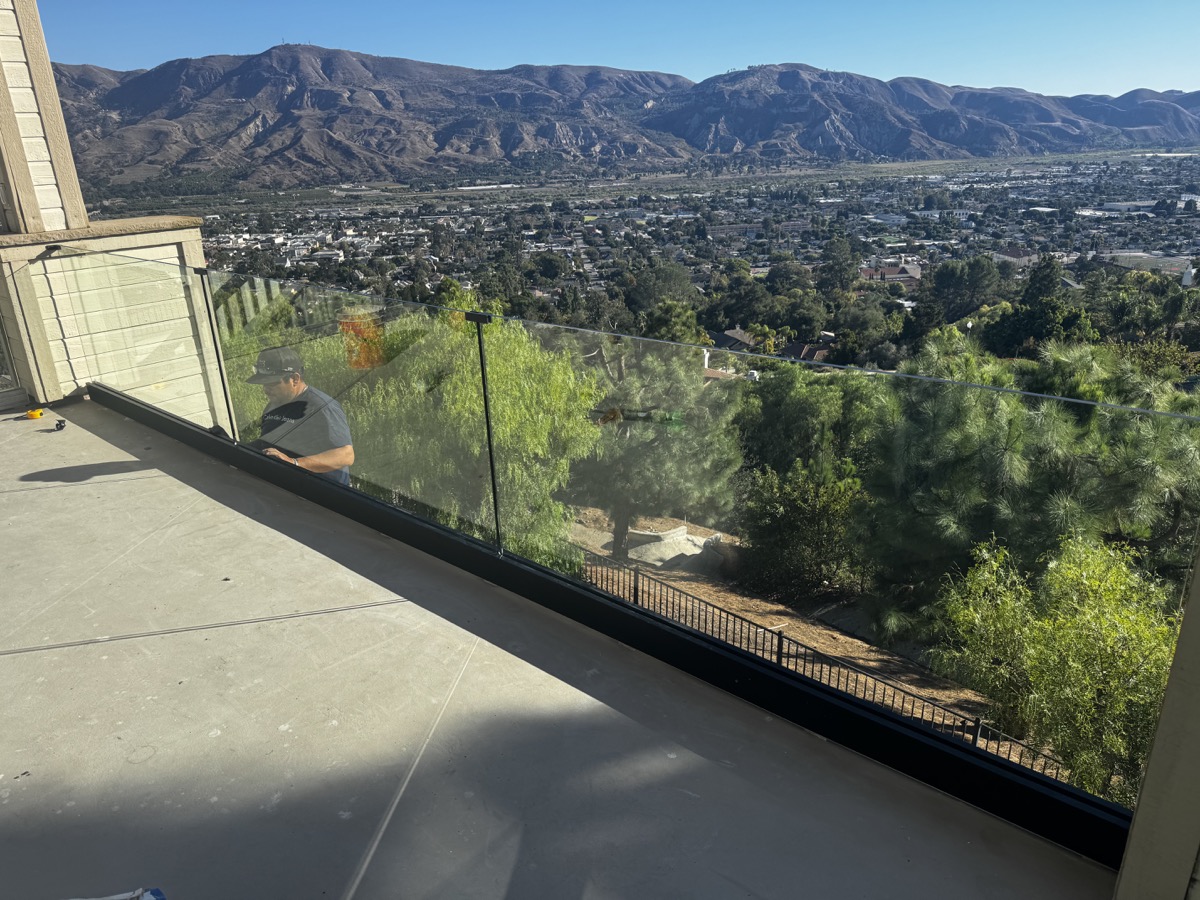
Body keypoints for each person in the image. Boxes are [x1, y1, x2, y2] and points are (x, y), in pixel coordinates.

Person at [246, 346, 354, 485]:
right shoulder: (273, 406)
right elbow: (267, 444)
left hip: (322, 497)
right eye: (263, 384)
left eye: (271, 383)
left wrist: (294, 463)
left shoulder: (322, 407)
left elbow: (346, 455)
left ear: (295, 379)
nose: (266, 390)